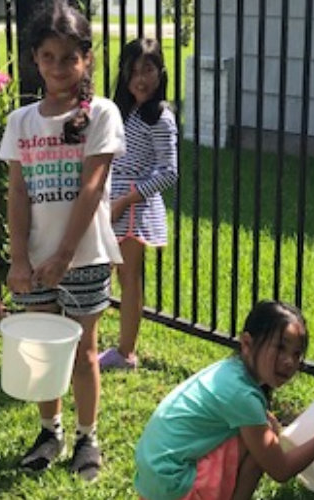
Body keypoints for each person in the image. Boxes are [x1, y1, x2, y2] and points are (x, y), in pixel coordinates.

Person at [0, 0, 126, 481]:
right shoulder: (21, 122)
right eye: (48, 57)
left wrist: (64, 256)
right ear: (34, 58)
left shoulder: (103, 114)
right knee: (42, 351)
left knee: (84, 352)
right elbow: (17, 192)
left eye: (69, 57)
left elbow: (92, 186)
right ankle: (50, 431)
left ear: (86, 59)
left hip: (85, 257)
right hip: (32, 264)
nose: (58, 67)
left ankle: (87, 437)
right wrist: (19, 260)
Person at [133, 301, 314, 500]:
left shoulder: (230, 372)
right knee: (262, 451)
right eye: (280, 348)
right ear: (247, 344)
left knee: (263, 432)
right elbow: (280, 469)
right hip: (173, 485)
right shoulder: (243, 395)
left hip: (153, 477)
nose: (289, 361)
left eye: (297, 353)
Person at [98, 37, 179, 370]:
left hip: (133, 206)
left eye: (147, 70)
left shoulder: (160, 117)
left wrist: (126, 200)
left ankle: (126, 352)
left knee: (129, 277)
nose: (140, 79)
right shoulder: (121, 110)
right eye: (133, 72)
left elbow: (169, 172)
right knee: (110, 273)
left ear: (160, 72)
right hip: (110, 199)